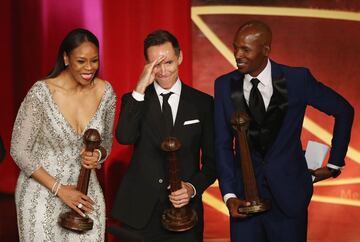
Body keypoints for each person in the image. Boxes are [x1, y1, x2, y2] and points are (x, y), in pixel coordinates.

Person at [214, 20, 354, 242]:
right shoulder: (224, 85)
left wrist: (335, 164)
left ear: (266, 50)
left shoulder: (297, 79)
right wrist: (230, 195)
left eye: (246, 49)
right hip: (243, 201)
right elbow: (222, 145)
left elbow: (344, 111)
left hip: (289, 199)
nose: (237, 54)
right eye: (235, 47)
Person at [10, 28, 116, 241]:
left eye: (94, 61)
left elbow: (107, 143)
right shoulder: (42, 93)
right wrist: (60, 189)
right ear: (66, 58)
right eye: (81, 61)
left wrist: (98, 156)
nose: (89, 68)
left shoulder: (105, 93)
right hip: (41, 191)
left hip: (85, 193)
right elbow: (18, 150)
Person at [112, 30, 216, 242]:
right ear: (147, 66)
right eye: (155, 65)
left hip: (185, 215)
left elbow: (214, 161)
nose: (163, 71)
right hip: (139, 213)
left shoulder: (203, 104)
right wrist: (140, 86)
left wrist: (192, 188)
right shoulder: (136, 99)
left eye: (168, 62)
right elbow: (124, 136)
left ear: (180, 57)